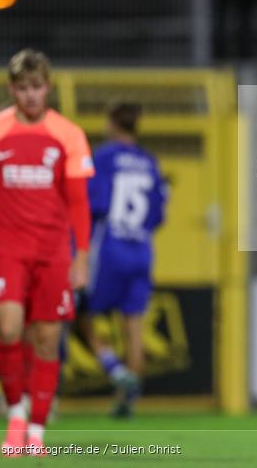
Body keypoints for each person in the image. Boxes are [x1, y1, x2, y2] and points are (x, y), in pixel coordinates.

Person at [0, 49, 93, 455]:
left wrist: (81, 255)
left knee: (48, 340)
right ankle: (16, 412)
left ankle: (37, 432)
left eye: (37, 87)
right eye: (23, 88)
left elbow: (77, 203)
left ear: (48, 87)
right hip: (7, 251)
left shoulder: (68, 134)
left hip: (52, 253)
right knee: (8, 330)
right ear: (11, 89)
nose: (31, 95)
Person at [83, 102, 167, 418]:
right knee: (133, 327)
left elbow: (95, 202)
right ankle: (127, 400)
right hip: (142, 250)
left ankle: (115, 370)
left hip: (109, 249)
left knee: (81, 316)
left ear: (112, 123)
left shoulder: (104, 157)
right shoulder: (149, 162)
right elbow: (157, 215)